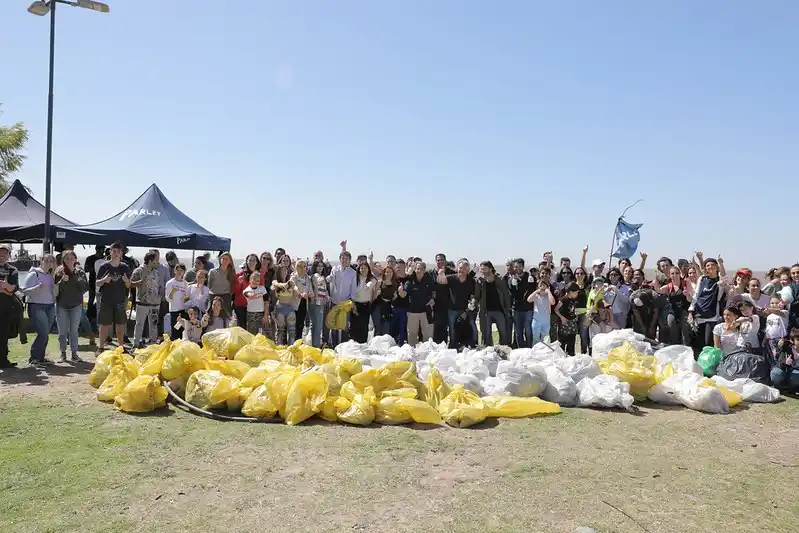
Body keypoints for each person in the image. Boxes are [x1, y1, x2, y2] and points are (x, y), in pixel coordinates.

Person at [688, 258, 729, 355]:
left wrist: (721, 263)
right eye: (707, 265)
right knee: (698, 343)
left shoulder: (719, 280)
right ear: (705, 268)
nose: (710, 267)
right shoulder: (702, 279)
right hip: (699, 315)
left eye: (713, 265)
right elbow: (696, 295)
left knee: (708, 342)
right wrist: (691, 312)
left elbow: (724, 276)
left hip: (713, 316)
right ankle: (700, 365)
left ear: (717, 267)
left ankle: (709, 365)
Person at [53, 250, 89, 362]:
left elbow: (85, 288)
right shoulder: (58, 272)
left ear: (75, 259)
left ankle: (74, 354)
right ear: (63, 260)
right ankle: (62, 354)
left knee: (74, 331)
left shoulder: (80, 272)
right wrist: (61, 281)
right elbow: (54, 289)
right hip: (61, 305)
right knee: (62, 332)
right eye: (67, 258)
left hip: (76, 305)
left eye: (71, 258)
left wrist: (74, 278)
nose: (69, 260)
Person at [21, 254, 57, 366]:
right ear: (41, 261)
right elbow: (25, 290)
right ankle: (34, 357)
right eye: (46, 260)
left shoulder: (51, 276)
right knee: (43, 332)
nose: (49, 263)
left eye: (51, 261)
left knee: (45, 333)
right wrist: (36, 288)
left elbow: (54, 292)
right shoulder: (34, 274)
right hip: (36, 306)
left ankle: (40, 358)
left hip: (50, 306)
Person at [95, 242, 131, 353]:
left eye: (118, 251)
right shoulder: (104, 266)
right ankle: (101, 347)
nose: (115, 254)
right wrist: (104, 280)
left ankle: (120, 347)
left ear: (121, 253)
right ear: (110, 252)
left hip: (120, 300)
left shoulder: (124, 267)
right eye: (113, 251)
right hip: (106, 299)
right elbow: (96, 283)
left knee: (120, 325)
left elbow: (128, 285)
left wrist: (127, 282)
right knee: (104, 325)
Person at [437, 260, 477, 349]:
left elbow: (472, 296)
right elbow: (440, 281)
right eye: (460, 268)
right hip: (452, 309)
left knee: (472, 327)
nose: (461, 270)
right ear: (457, 268)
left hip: (466, 309)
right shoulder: (451, 278)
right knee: (452, 329)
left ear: (468, 270)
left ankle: (473, 345)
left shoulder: (471, 281)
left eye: (464, 269)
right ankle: (453, 346)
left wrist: (468, 309)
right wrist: (441, 273)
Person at [129, 251, 162, 348]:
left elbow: (159, 286)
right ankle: (136, 344)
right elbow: (130, 284)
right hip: (142, 303)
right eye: (156, 260)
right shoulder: (138, 271)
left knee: (154, 324)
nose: (158, 262)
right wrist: (140, 282)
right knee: (139, 324)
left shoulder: (157, 273)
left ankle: (153, 345)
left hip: (155, 304)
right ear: (151, 261)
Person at [474, 261, 511, 346]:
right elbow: (477, 296)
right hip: (486, 311)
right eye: (481, 269)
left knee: (503, 331)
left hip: (499, 310)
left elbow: (506, 295)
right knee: (486, 333)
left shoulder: (499, 280)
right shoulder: (480, 281)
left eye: (484, 269)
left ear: (490, 269)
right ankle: (488, 350)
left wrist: (507, 308)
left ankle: (503, 348)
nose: (483, 271)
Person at [327, 250, 357, 346]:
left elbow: (353, 288)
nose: (344, 260)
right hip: (334, 302)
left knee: (344, 327)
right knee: (334, 325)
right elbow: (331, 278)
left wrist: (352, 301)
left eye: (346, 259)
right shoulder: (335, 269)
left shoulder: (353, 273)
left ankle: (343, 346)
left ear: (349, 260)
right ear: (340, 259)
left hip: (345, 304)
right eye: (342, 258)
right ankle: (334, 346)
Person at [658, 266, 692, 345]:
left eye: (677, 273)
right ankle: (675, 349)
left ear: (679, 273)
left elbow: (690, 300)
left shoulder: (685, 283)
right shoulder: (669, 286)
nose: (675, 275)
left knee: (685, 332)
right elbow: (659, 291)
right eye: (672, 273)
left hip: (684, 310)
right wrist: (655, 283)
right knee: (672, 329)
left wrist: (687, 295)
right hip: (673, 311)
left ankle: (687, 350)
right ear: (670, 275)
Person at [0, 244, 21, 368]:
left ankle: (3, 360)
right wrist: (5, 288)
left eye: (5, 253)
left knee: (4, 334)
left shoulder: (12, 270)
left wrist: (5, 288)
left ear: (8, 255)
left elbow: (13, 288)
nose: (2, 255)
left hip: (6, 307)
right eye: (0, 252)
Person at [405, 261, 435, 346]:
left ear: (424, 270)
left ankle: (427, 352)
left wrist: (433, 299)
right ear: (414, 269)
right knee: (412, 334)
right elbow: (405, 292)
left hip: (426, 311)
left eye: (421, 269)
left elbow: (433, 291)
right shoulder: (410, 280)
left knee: (428, 335)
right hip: (413, 311)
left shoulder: (429, 279)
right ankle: (412, 352)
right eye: (417, 269)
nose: (419, 271)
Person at [350, 261, 377, 343]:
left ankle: (363, 344)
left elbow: (371, 283)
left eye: (365, 268)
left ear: (368, 269)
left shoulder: (371, 279)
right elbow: (352, 292)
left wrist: (368, 285)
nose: (363, 270)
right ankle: (354, 345)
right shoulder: (355, 278)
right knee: (354, 326)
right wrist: (353, 306)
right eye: (361, 268)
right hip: (355, 305)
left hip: (365, 305)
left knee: (364, 326)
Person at [432, 253, 455, 344]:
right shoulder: (431, 273)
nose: (440, 262)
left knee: (447, 328)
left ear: (445, 261)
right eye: (438, 260)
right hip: (435, 305)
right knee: (436, 328)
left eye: (442, 260)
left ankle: (447, 346)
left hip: (449, 305)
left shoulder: (452, 272)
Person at [272, 266, 298, 344]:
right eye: (283, 271)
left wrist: (296, 289)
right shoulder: (275, 282)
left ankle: (291, 349)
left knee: (292, 331)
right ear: (279, 272)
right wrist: (285, 285)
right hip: (280, 308)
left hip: (290, 308)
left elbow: (296, 291)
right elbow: (276, 284)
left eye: (286, 270)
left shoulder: (291, 283)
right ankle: (279, 349)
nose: (285, 272)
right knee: (280, 331)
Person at [165, 264, 190, 341]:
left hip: (183, 311)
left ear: (184, 272)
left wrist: (186, 299)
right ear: (174, 271)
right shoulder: (170, 283)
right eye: (178, 270)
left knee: (183, 333)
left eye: (181, 270)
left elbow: (187, 297)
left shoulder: (186, 284)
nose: (179, 272)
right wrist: (172, 292)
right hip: (174, 311)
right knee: (175, 332)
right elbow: (167, 298)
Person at [554, 282, 580, 355]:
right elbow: (556, 309)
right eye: (576, 292)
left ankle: (571, 356)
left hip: (572, 324)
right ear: (571, 292)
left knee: (571, 343)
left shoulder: (573, 299)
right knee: (562, 343)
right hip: (564, 324)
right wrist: (562, 317)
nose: (577, 294)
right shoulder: (563, 299)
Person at [308, 260, 330, 347]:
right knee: (318, 325)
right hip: (317, 303)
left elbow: (324, 290)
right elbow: (317, 289)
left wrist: (326, 297)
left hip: (318, 303)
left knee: (315, 325)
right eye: (318, 266)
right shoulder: (315, 276)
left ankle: (315, 344)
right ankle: (316, 345)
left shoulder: (320, 276)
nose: (320, 268)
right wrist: (321, 299)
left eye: (321, 266)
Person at [290, 259, 313, 342]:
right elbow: (293, 286)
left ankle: (298, 342)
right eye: (299, 266)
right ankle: (293, 342)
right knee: (294, 325)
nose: (302, 268)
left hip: (304, 303)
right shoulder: (293, 277)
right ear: (296, 267)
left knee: (301, 325)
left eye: (304, 266)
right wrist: (300, 293)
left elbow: (310, 289)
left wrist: (311, 294)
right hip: (295, 303)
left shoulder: (308, 278)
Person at [374, 264, 399, 338]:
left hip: (388, 308)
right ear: (384, 273)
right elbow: (374, 297)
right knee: (378, 328)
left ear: (393, 273)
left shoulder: (395, 284)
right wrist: (377, 294)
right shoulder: (380, 282)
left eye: (390, 272)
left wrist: (395, 297)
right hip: (378, 307)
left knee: (386, 329)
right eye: (387, 272)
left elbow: (394, 298)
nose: (388, 274)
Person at [84, 244, 105, 324]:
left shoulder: (105, 258)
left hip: (103, 283)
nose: (102, 251)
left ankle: (98, 317)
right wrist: (94, 269)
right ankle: (89, 317)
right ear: (97, 249)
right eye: (101, 249)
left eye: (103, 249)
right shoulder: (90, 258)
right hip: (93, 281)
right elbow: (86, 269)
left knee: (102, 301)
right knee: (91, 299)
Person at [529, 279, 555, 344]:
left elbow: (553, 302)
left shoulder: (549, 296)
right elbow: (529, 300)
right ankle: (535, 352)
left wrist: (548, 292)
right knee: (535, 339)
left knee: (545, 339)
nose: (542, 287)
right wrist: (537, 291)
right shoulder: (536, 296)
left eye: (544, 286)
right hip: (536, 320)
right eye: (540, 286)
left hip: (546, 321)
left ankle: (543, 352)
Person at [242, 271, 268, 335]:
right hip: (251, 315)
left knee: (262, 334)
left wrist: (265, 315)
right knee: (252, 334)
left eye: (258, 280)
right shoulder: (245, 290)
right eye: (254, 279)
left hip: (261, 314)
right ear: (250, 280)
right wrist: (260, 295)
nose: (256, 282)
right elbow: (250, 296)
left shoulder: (263, 288)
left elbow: (266, 302)